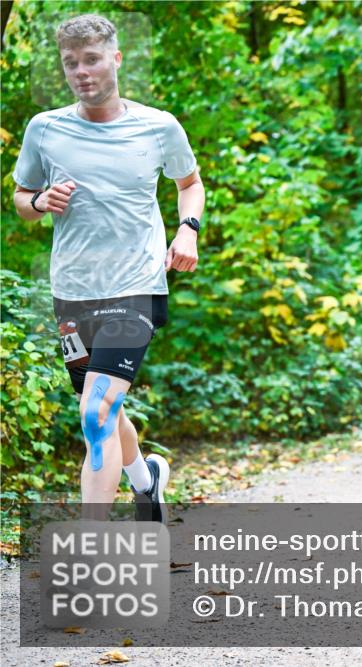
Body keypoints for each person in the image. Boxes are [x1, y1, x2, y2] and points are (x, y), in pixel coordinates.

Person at [12, 14, 204, 522]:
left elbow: (190, 182)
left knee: (95, 414)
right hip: (73, 290)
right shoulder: (45, 129)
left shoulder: (158, 126)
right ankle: (147, 481)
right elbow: (20, 199)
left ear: (115, 60)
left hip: (136, 285)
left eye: (91, 59)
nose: (81, 72)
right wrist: (40, 201)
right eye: (70, 63)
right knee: (105, 410)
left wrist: (189, 228)